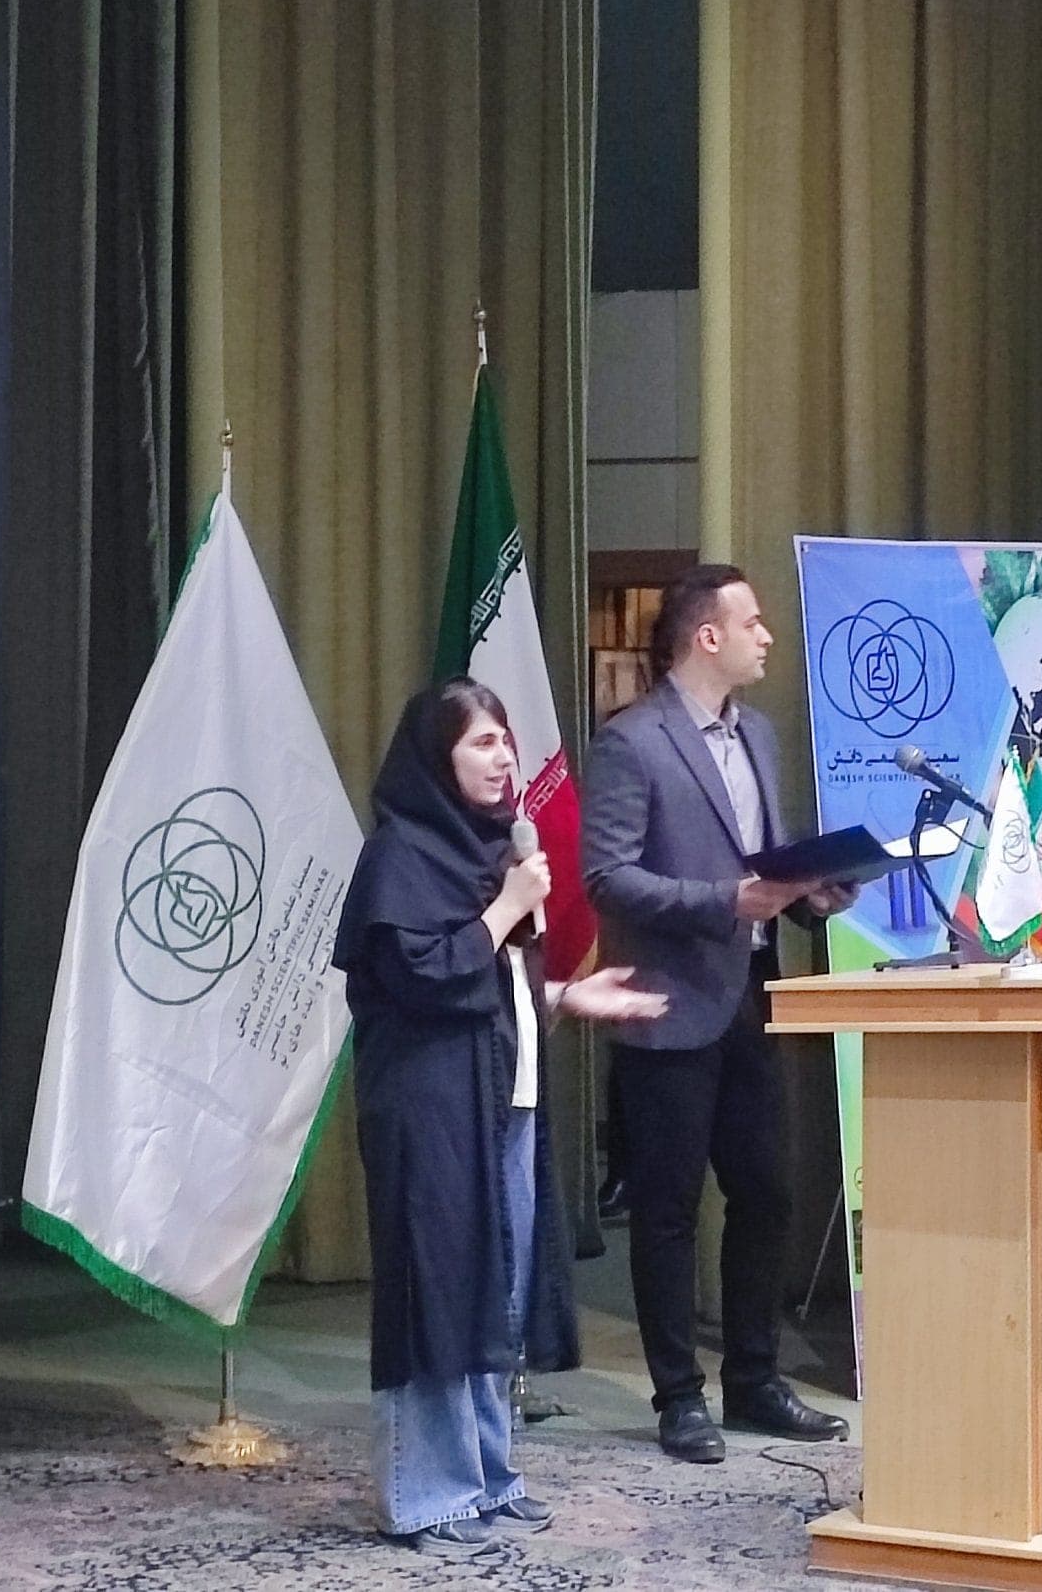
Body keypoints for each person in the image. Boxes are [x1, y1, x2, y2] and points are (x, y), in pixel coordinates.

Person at [334, 678, 666, 1558]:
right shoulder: (400, 856)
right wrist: (511, 906)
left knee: (493, 1296)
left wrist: (563, 995)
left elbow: (485, 990)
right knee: (438, 1296)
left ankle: (485, 1476)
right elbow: (422, 978)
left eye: (507, 740)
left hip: (500, 1107)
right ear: (435, 758)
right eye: (482, 742)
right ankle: (424, 1495)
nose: (506, 757)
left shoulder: (490, 852)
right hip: (428, 1114)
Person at [580, 564, 855, 1463]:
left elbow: (762, 862)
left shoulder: (758, 734)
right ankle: (677, 1397)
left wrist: (811, 892)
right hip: (667, 1001)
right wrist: (721, 901)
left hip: (751, 996)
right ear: (707, 636)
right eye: (752, 622)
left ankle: (754, 1381)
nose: (766, 636)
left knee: (766, 1194)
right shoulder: (632, 742)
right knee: (666, 1209)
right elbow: (607, 877)